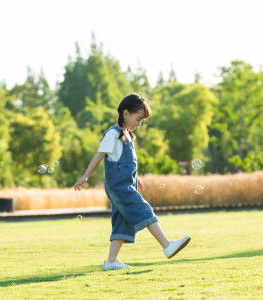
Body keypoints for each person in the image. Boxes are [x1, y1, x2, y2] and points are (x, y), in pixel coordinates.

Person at [73, 93, 191, 271]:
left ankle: (111, 261)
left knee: (121, 221)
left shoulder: (127, 135)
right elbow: (100, 154)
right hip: (119, 186)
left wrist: (138, 179)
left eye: (142, 120)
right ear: (126, 113)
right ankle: (167, 245)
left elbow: (127, 163)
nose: (140, 123)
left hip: (127, 184)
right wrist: (85, 176)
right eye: (138, 118)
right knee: (145, 209)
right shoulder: (113, 134)